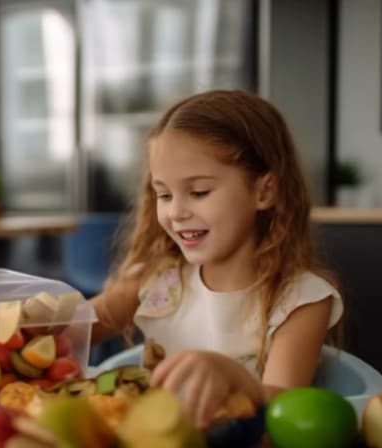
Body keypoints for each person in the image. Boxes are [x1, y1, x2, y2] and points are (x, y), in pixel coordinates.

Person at [89, 89, 342, 429]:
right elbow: (78, 327)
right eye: (164, 194)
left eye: (198, 192)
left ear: (264, 191)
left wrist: (233, 376)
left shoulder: (300, 300)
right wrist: (32, 318)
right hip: (156, 447)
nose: (176, 212)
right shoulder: (157, 278)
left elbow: (287, 407)